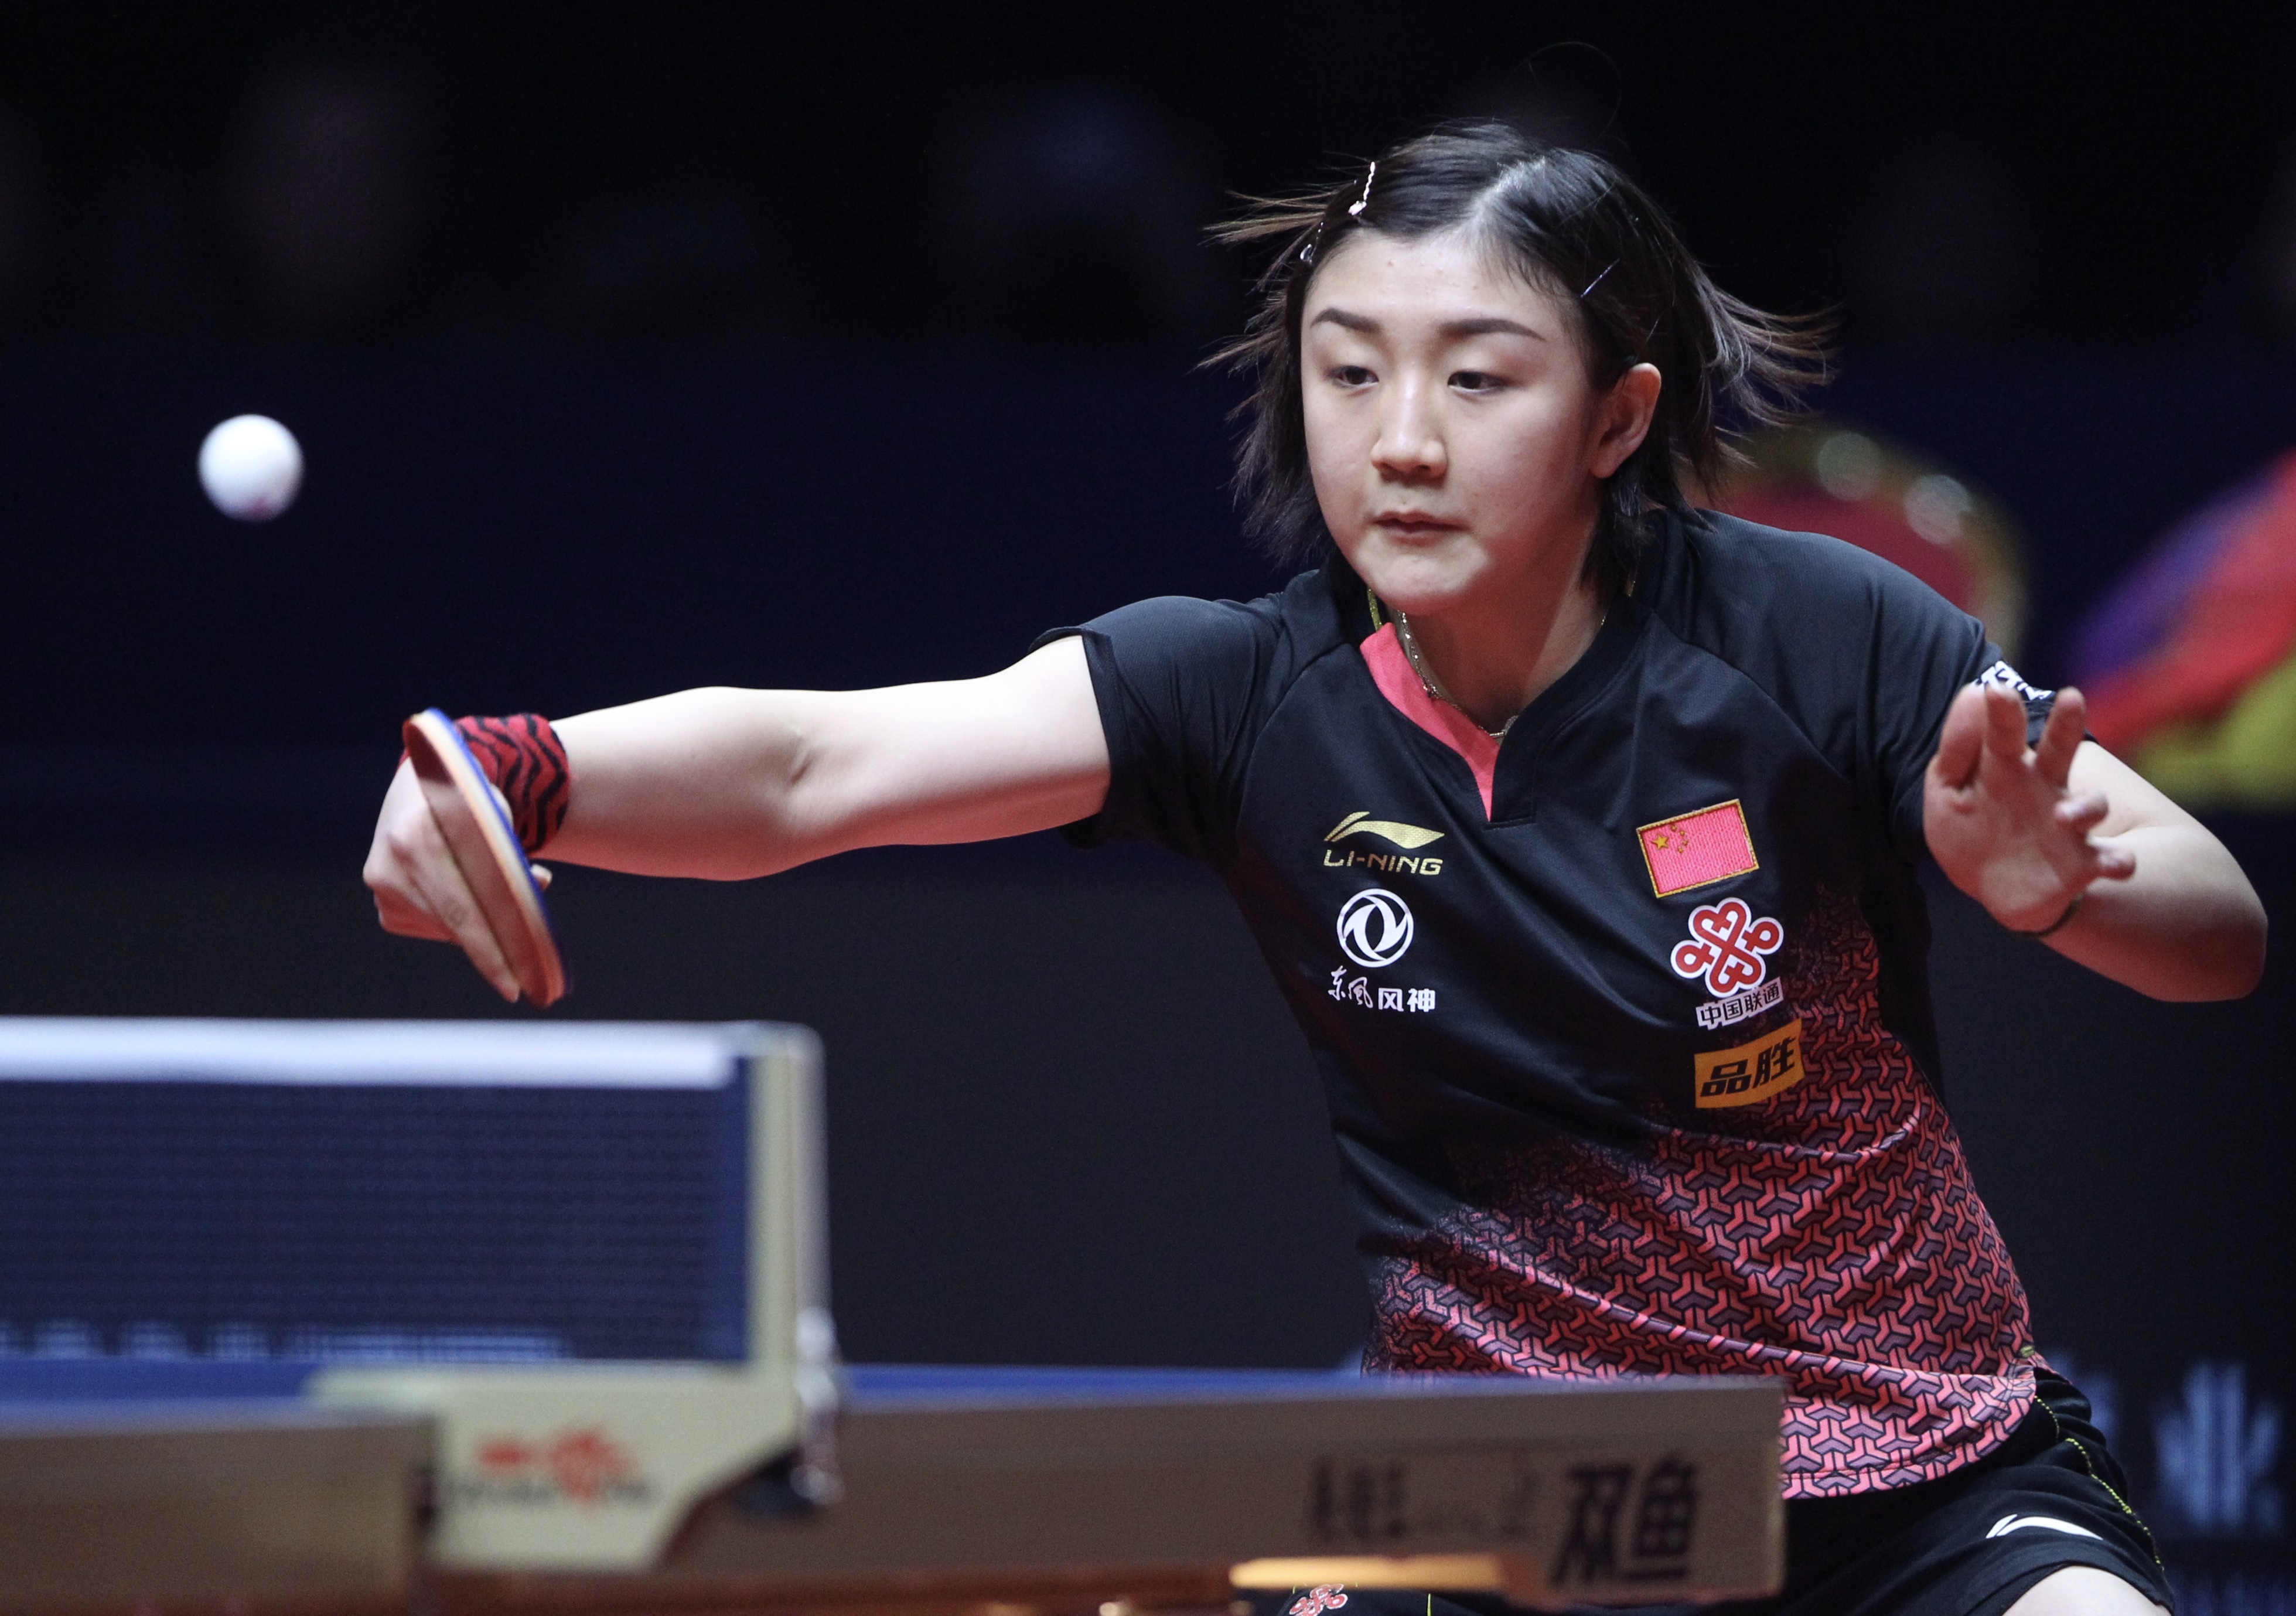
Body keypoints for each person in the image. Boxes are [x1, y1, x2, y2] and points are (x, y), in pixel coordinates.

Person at [365, 124, 2266, 1615]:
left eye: (1479, 380)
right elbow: (816, 766)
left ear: (1618, 416)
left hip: (1919, 1478)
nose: (1401, 443)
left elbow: (2221, 935)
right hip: (1490, 1514)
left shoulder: (1815, 635)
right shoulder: (1247, 694)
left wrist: (2059, 889)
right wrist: (520, 773)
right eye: (1349, 373)